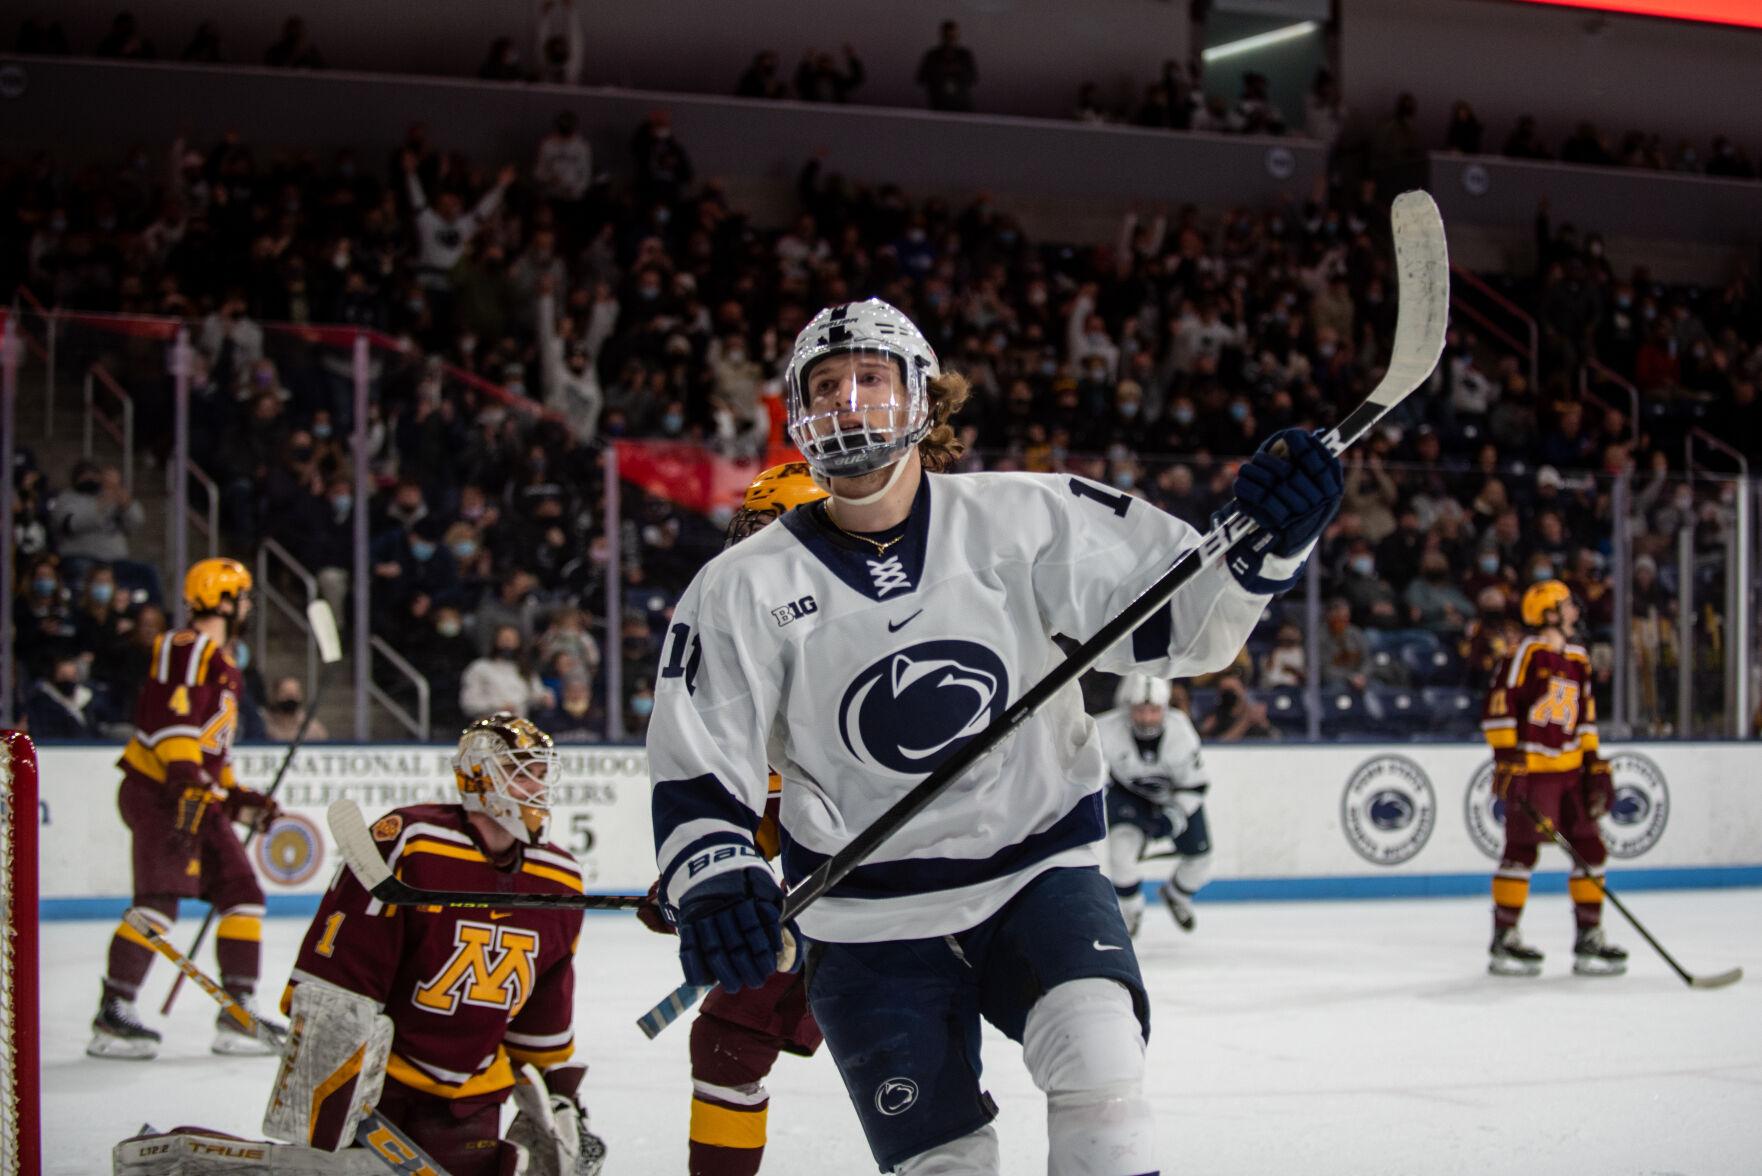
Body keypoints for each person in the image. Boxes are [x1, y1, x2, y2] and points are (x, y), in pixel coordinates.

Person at [647, 298, 1342, 1174]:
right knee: (945, 1164)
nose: (848, 402)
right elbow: (700, 759)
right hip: (865, 919)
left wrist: (1263, 546)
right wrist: (716, 876)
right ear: (796, 412)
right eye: (826, 386)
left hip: (1035, 873)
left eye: (871, 378)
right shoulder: (738, 587)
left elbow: (1184, 625)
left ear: (922, 397)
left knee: (1104, 1078)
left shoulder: (1030, 515)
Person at [273, 715, 604, 1175]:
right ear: (477, 777)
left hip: (473, 1096)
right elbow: (345, 967)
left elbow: (545, 1002)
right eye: (519, 771)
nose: (535, 787)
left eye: (540, 773)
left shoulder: (559, 878)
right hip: (379, 1088)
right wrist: (325, 1063)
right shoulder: (414, 842)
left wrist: (561, 1094)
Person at [636, 463, 830, 1176]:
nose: (752, 549)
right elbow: (763, 808)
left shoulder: (857, 631)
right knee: (726, 1044)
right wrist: (709, 877)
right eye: (748, 529)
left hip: (912, 900)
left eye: (770, 529)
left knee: (911, 1057)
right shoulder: (737, 629)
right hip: (827, 895)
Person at [89, 558, 282, 1059]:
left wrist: (239, 800)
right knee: (159, 901)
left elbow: (212, 752)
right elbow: (170, 719)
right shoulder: (187, 646)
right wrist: (184, 782)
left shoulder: (225, 663)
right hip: (160, 792)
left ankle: (237, 1014)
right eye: (242, 596)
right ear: (222, 600)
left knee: (243, 892)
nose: (248, 606)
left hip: (190, 793)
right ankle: (113, 1013)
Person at [1481, 580, 1627, 978]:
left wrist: (1593, 762)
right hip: (1535, 771)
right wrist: (1508, 759)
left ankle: (1589, 937)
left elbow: (1586, 717)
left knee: (1591, 849)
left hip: (1571, 772)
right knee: (1521, 850)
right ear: (1548, 614)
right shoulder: (1525, 654)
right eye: (1566, 605)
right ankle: (1505, 938)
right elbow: (1499, 707)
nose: (1573, 611)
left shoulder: (1578, 658)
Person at [1099, 674, 1213, 936]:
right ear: (1128, 707)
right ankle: (1130, 911)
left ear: (1165, 708)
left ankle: (1177, 895)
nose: (1147, 717)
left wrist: (1174, 817)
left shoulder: (1181, 731)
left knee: (1201, 861)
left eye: (1154, 710)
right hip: (1128, 795)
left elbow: (1196, 785)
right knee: (1121, 852)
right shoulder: (1107, 728)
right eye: (1140, 710)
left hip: (1175, 798)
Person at [915, 20, 977, 112]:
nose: (950, 40)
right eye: (948, 37)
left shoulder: (964, 56)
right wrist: (939, 72)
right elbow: (921, 78)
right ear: (942, 36)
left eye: (953, 37)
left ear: (957, 36)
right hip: (939, 103)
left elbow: (973, 78)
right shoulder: (932, 56)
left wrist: (957, 71)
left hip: (961, 104)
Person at [261, 674, 328, 743]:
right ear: (275, 695)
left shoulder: (312, 727)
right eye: (286, 694)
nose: (290, 698)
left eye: (294, 694)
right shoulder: (263, 723)